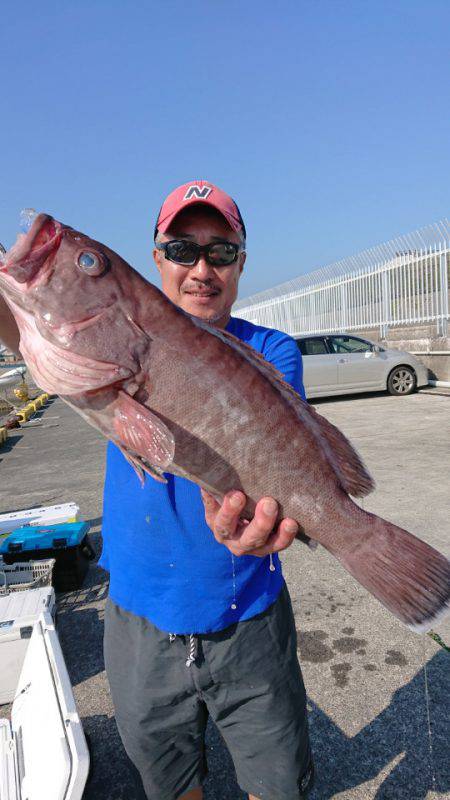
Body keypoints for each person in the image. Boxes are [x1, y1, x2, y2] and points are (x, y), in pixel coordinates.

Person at [0, 181, 314, 800]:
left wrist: (277, 522)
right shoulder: (104, 338)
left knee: (276, 786)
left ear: (242, 262)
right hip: (137, 623)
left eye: (221, 251)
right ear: (155, 260)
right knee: (170, 786)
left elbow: (290, 470)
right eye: (181, 249)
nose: (201, 269)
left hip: (248, 617)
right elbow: (26, 322)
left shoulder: (271, 351)